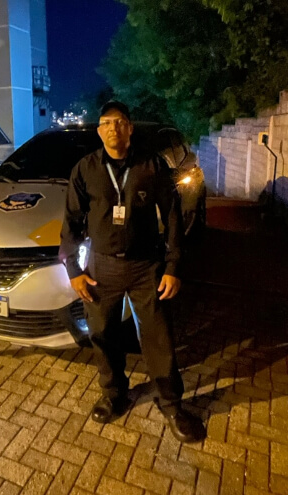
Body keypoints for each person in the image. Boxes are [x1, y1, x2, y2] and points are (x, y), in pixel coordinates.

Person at [59, 101, 206, 443]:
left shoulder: (151, 165)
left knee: (157, 337)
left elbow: (172, 217)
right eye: (106, 123)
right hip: (101, 267)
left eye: (119, 122)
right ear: (99, 131)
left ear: (129, 128)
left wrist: (172, 266)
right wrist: (73, 269)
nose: (113, 128)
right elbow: (71, 221)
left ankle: (171, 405)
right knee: (103, 334)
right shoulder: (85, 169)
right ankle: (114, 395)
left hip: (146, 266)